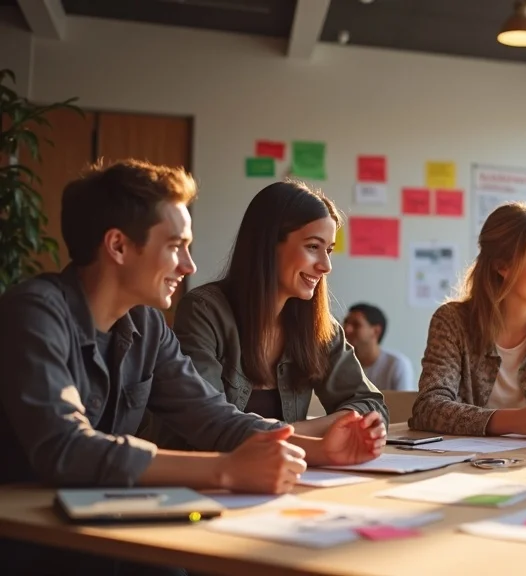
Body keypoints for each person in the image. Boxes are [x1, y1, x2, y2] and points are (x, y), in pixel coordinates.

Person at [0, 160, 384, 574]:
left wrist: (316, 450)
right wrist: (224, 470)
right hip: (30, 538)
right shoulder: (34, 314)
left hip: (104, 523)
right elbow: (67, 447)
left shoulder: (146, 326)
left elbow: (214, 419)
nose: (189, 266)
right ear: (118, 246)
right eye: (175, 246)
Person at [141, 181, 388, 449]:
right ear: (268, 245)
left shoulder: (318, 326)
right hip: (203, 478)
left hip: (284, 475)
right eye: (313, 247)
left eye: (328, 250)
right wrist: (312, 432)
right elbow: (207, 423)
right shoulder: (204, 311)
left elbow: (372, 407)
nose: (325, 266)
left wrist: (289, 432)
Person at [409, 201, 526, 437]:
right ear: (501, 266)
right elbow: (428, 408)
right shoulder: (452, 321)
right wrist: (516, 420)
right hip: (464, 467)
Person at [342, 303, 415, 392]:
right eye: (346, 322)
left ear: (376, 331)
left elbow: (405, 404)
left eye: (356, 325)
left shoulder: (397, 364)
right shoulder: (340, 363)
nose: (346, 329)